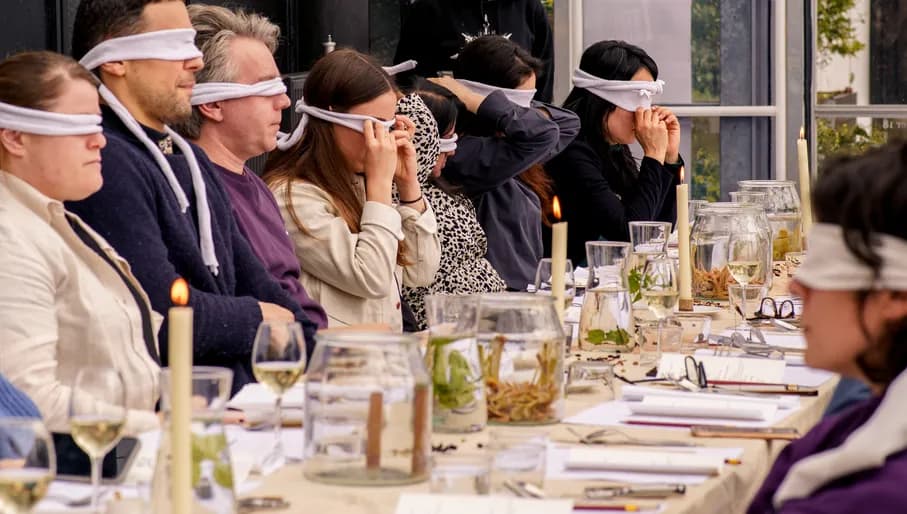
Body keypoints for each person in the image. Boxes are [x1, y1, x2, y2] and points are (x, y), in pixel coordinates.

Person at [68, 0, 317, 394]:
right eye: (174, 44)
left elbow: (261, 285)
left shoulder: (190, 161)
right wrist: (258, 317)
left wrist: (313, 348)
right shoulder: (104, 162)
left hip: (237, 404)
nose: (195, 61)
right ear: (116, 61)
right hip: (165, 415)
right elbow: (159, 313)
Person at [0, 51, 159, 432]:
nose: (99, 141)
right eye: (78, 126)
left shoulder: (53, 220)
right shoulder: (10, 240)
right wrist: (163, 426)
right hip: (72, 462)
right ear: (16, 137)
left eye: (98, 124)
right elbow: (28, 401)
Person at [747, 142, 907, 513]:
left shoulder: (873, 498)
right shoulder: (848, 429)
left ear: (895, 296)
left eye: (824, 265)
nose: (795, 286)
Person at [174, 4, 328, 329]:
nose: (284, 101)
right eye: (266, 87)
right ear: (213, 103)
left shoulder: (255, 184)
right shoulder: (192, 195)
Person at [263, 49, 441, 330]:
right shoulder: (292, 197)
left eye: (390, 125)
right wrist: (380, 185)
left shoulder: (359, 182)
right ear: (330, 121)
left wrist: (409, 187)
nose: (384, 139)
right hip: (334, 354)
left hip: (381, 350)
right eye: (373, 127)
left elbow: (421, 271)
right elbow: (371, 277)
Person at [434, 35, 579, 290]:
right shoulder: (464, 154)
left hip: (524, 287)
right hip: (497, 293)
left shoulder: (516, 145)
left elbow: (569, 123)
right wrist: (475, 100)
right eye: (516, 105)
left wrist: (495, 107)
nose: (524, 112)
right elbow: (545, 133)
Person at [544, 40, 682, 264]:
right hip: (566, 278)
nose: (644, 113)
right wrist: (653, 157)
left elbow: (658, 229)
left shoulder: (612, 147)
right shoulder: (571, 151)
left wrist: (668, 159)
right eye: (636, 100)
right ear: (601, 99)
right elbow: (631, 235)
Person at [398, 80, 506, 328]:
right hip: (444, 328)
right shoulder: (398, 198)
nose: (452, 151)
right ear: (421, 138)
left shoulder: (443, 188)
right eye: (445, 140)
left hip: (487, 321)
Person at [395, 0, 554, 102]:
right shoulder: (429, 9)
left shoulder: (529, 7)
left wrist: (536, 125)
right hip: (454, 131)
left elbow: (543, 75)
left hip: (517, 127)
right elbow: (407, 77)